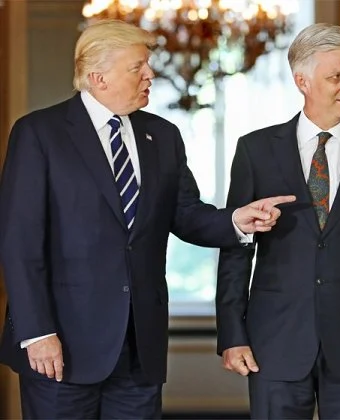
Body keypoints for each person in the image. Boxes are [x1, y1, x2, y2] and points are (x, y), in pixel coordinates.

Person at [0, 19, 295, 419]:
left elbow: (186, 214)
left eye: (148, 65)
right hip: (60, 348)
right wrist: (37, 333)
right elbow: (20, 244)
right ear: (97, 76)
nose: (150, 75)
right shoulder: (39, 134)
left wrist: (236, 221)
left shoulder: (164, 136)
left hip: (139, 350)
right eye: (137, 66)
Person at [216, 23, 340, 419]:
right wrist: (231, 335)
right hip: (273, 345)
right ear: (302, 81)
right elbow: (236, 252)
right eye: (336, 77)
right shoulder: (256, 151)